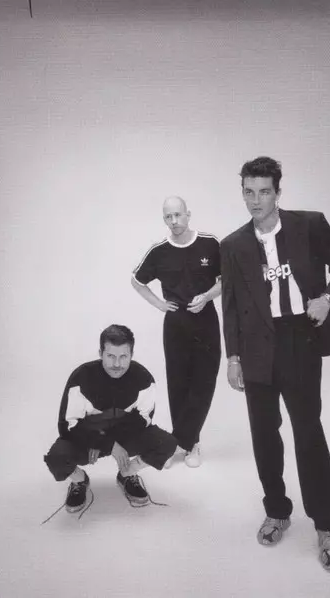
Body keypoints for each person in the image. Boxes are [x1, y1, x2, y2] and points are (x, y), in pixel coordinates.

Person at [220, 156, 330, 572]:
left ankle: (327, 526)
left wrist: (327, 299)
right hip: (256, 346)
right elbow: (230, 305)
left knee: (308, 433)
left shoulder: (309, 225)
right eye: (249, 192)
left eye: (264, 192)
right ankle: (277, 511)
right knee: (264, 434)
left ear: (278, 193)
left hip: (299, 340)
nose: (256, 200)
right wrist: (233, 357)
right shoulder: (233, 245)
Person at [43, 324, 177, 514]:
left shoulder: (144, 378)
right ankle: (80, 481)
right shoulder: (81, 377)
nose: (117, 364)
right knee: (56, 457)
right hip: (89, 440)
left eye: (123, 356)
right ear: (101, 353)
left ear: (131, 354)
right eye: (111, 356)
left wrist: (115, 443)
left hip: (124, 438)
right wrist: (106, 444)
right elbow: (67, 427)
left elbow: (143, 420)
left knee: (167, 443)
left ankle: (127, 474)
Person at [131, 196, 221, 468]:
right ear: (164, 220)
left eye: (178, 215)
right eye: (169, 217)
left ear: (188, 214)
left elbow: (227, 279)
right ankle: (189, 443)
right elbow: (136, 280)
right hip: (176, 324)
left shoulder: (209, 243)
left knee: (203, 383)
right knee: (178, 383)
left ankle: (180, 443)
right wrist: (160, 304)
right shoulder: (159, 251)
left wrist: (207, 296)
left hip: (205, 320)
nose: (174, 221)